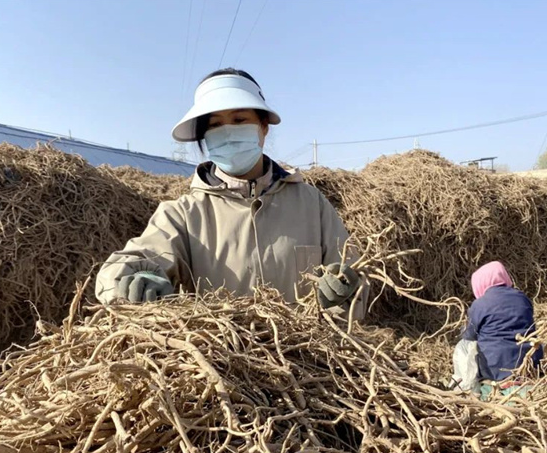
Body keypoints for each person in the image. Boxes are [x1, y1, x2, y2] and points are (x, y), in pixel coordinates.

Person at [96, 69, 367, 317]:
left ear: (263, 127)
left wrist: (347, 290)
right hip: (224, 363)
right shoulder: (183, 214)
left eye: (239, 119)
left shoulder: (311, 204)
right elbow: (119, 270)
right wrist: (130, 284)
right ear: (204, 137)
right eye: (214, 125)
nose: (226, 132)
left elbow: (354, 277)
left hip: (312, 362)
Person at [461, 261, 543, 399]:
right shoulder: (522, 298)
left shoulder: (480, 304)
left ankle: (471, 389)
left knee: (464, 346)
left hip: (495, 369)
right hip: (530, 365)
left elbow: (469, 335)